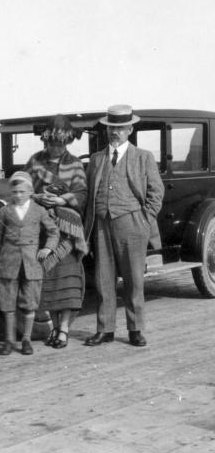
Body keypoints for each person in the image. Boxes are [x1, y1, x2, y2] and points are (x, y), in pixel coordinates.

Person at [84, 104, 164, 347]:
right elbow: (88, 193)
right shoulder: (97, 159)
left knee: (134, 279)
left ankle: (135, 329)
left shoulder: (143, 157)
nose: (114, 132)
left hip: (132, 223)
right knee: (103, 279)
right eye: (111, 128)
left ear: (130, 129)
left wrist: (143, 220)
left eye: (120, 127)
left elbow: (156, 193)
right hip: (100, 224)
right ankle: (105, 329)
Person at [25, 114, 88, 349]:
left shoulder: (75, 164)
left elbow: (82, 194)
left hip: (68, 231)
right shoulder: (35, 161)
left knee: (68, 281)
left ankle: (64, 331)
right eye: (53, 142)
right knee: (48, 281)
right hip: (42, 229)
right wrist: (35, 196)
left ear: (67, 142)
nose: (56, 147)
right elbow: (20, 188)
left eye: (61, 143)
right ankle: (52, 327)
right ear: (46, 140)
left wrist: (61, 200)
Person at [0, 171, 59, 356]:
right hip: (8, 262)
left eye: (22, 191)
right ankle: (8, 340)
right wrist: (1, 259)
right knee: (7, 303)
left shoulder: (39, 211)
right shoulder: (5, 211)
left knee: (30, 303)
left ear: (30, 191)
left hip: (31, 263)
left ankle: (26, 340)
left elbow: (54, 231)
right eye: (14, 192)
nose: (18, 195)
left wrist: (48, 248)